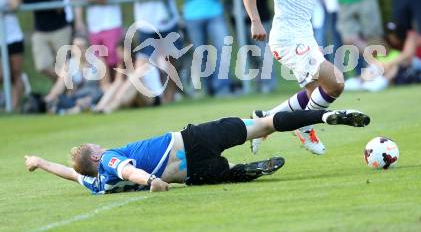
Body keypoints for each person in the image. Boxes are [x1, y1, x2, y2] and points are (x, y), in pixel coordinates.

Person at [242, 0, 368, 155]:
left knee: (313, 93)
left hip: (305, 36)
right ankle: (306, 126)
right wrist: (255, 21)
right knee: (336, 83)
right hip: (287, 39)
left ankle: (263, 121)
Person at [24, 108, 370, 194]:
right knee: (262, 124)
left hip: (192, 175)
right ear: (97, 157)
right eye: (96, 147)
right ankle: (324, 115)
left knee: (219, 173)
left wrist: (39, 163)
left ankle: (235, 171)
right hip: (191, 142)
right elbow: (128, 171)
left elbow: (70, 173)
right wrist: (149, 182)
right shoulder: (111, 160)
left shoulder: (94, 183)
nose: (101, 147)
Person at [124, 0, 181, 103]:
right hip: (144, 22)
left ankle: (170, 95)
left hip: (166, 20)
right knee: (146, 62)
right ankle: (155, 95)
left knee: (171, 59)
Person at [237, 0, 276, 93]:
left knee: (262, 54)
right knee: (251, 56)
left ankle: (268, 86)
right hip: (242, 23)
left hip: (262, 19)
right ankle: (257, 86)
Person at [44, 34, 110, 114]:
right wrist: (49, 98)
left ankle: (79, 108)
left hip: (94, 95)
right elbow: (59, 86)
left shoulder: (99, 62)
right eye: (77, 47)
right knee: (59, 99)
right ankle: (78, 108)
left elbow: (105, 86)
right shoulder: (68, 65)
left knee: (99, 93)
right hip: (76, 97)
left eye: (83, 47)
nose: (80, 50)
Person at [0, 0, 25, 110]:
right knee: (2, 75)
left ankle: (14, 107)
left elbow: (15, 5)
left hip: (13, 36)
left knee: (16, 73)